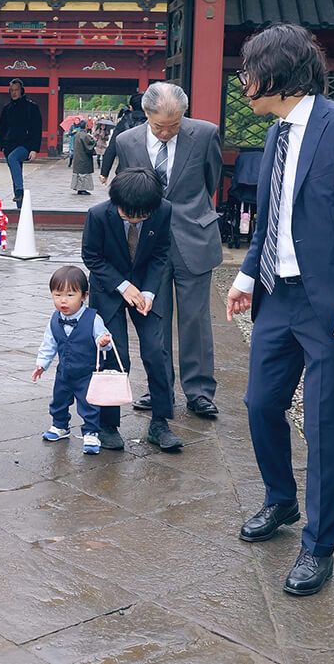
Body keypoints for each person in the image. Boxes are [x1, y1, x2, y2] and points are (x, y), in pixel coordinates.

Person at [226, 24, 334, 597]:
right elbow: (269, 217)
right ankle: (280, 500)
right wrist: (247, 275)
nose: (243, 81)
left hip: (330, 304)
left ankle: (319, 546)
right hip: (277, 296)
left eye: (249, 71)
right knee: (259, 406)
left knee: (323, 427)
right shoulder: (275, 135)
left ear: (278, 74)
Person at [105, 82, 223, 418]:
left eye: (175, 125)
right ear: (145, 114)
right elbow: (130, 187)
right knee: (153, 319)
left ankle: (199, 391)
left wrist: (194, 212)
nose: (167, 132)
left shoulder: (204, 134)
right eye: (159, 126)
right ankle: (159, 388)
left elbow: (210, 179)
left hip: (194, 235)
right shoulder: (127, 141)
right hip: (149, 241)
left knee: (195, 319)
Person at [81, 168, 182, 452]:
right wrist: (123, 286)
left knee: (156, 350)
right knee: (114, 353)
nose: (135, 219)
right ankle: (108, 424)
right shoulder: (99, 214)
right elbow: (91, 256)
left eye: (141, 216)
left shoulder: (163, 211)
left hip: (147, 289)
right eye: (128, 215)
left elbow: (162, 252)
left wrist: (149, 291)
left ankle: (160, 422)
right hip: (109, 289)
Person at [32, 266, 113, 455]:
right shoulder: (54, 320)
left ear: (84, 296)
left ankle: (91, 432)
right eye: (57, 295)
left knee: (89, 404)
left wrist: (103, 342)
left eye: (70, 295)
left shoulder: (93, 319)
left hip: (87, 373)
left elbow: (105, 343)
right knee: (59, 400)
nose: (63, 300)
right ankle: (60, 426)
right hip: (64, 372)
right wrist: (41, 364)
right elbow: (49, 343)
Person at [0, 79, 42, 207]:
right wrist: (3, 146)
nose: (14, 93)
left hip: (25, 145)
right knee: (15, 175)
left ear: (21, 90)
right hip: (9, 145)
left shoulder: (32, 107)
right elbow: (2, 129)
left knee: (13, 158)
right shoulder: (7, 109)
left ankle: (20, 192)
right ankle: (20, 206)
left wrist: (34, 149)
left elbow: (37, 129)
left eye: (16, 90)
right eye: (11, 90)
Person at [99, 93, 147, 182]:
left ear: (131, 107)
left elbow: (112, 148)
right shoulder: (154, 121)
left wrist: (104, 173)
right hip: (148, 172)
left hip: (125, 171)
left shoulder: (124, 122)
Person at [71, 121, 97, 196]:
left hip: (78, 156)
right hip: (84, 157)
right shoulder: (85, 135)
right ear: (85, 126)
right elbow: (90, 145)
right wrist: (95, 140)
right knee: (84, 173)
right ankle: (82, 189)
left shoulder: (77, 134)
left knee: (79, 173)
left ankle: (79, 188)